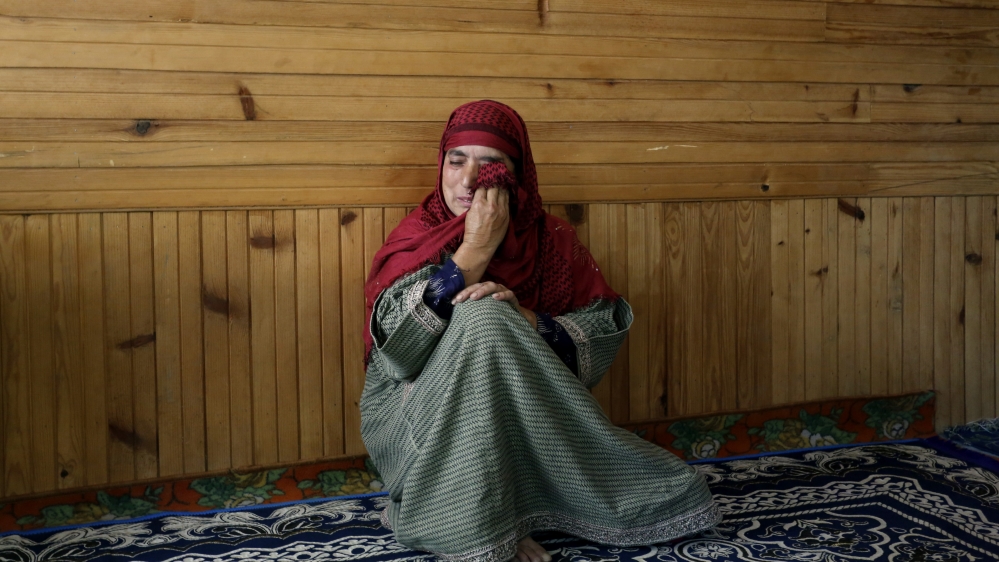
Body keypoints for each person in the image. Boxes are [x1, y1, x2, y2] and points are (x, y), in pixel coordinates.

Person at [360, 100, 718, 562]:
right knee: (481, 316)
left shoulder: (551, 241)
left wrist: (529, 320)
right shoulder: (417, 236)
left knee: (676, 491)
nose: (468, 181)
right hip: (414, 419)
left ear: (517, 176)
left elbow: (601, 327)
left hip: (529, 414)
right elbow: (399, 354)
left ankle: (506, 509)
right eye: (456, 161)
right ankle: (478, 522)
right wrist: (476, 248)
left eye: (490, 166)